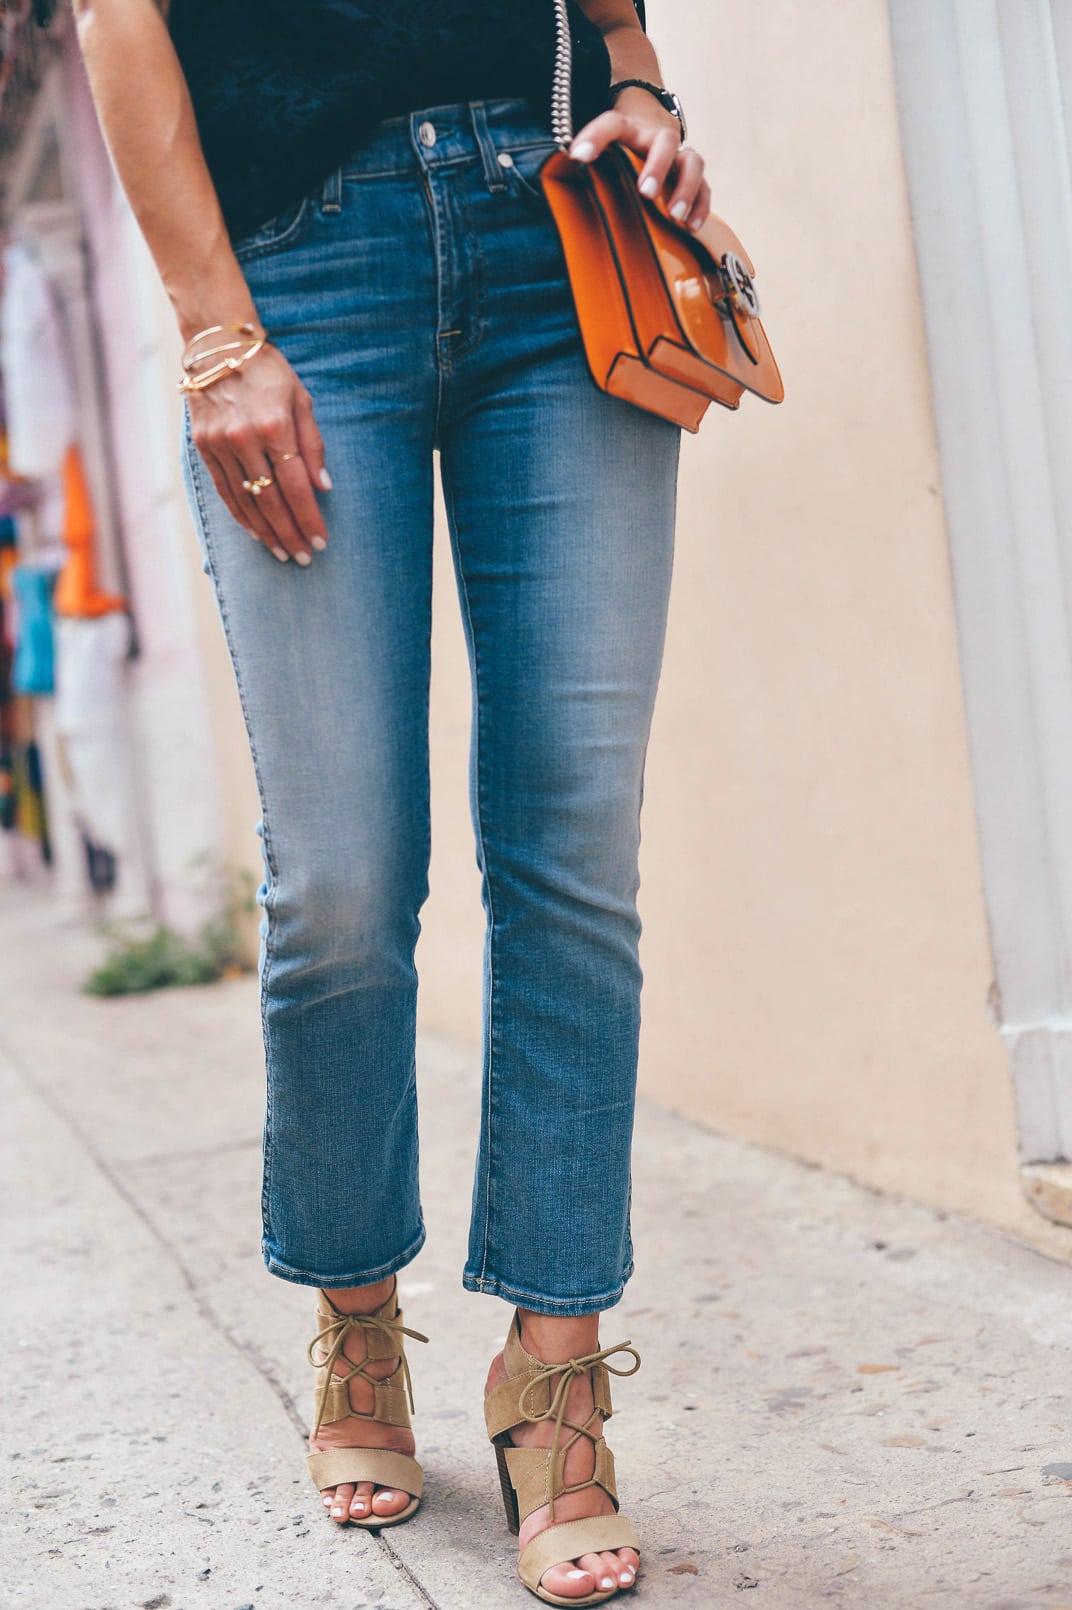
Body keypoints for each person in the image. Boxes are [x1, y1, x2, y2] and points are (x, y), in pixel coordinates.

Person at [75, 2, 709, 1602]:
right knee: (341, 878)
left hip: (554, 233)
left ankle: (554, 1377)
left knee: (576, 845)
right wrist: (218, 332)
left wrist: (637, 82)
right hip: (301, 261)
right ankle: (360, 1320)